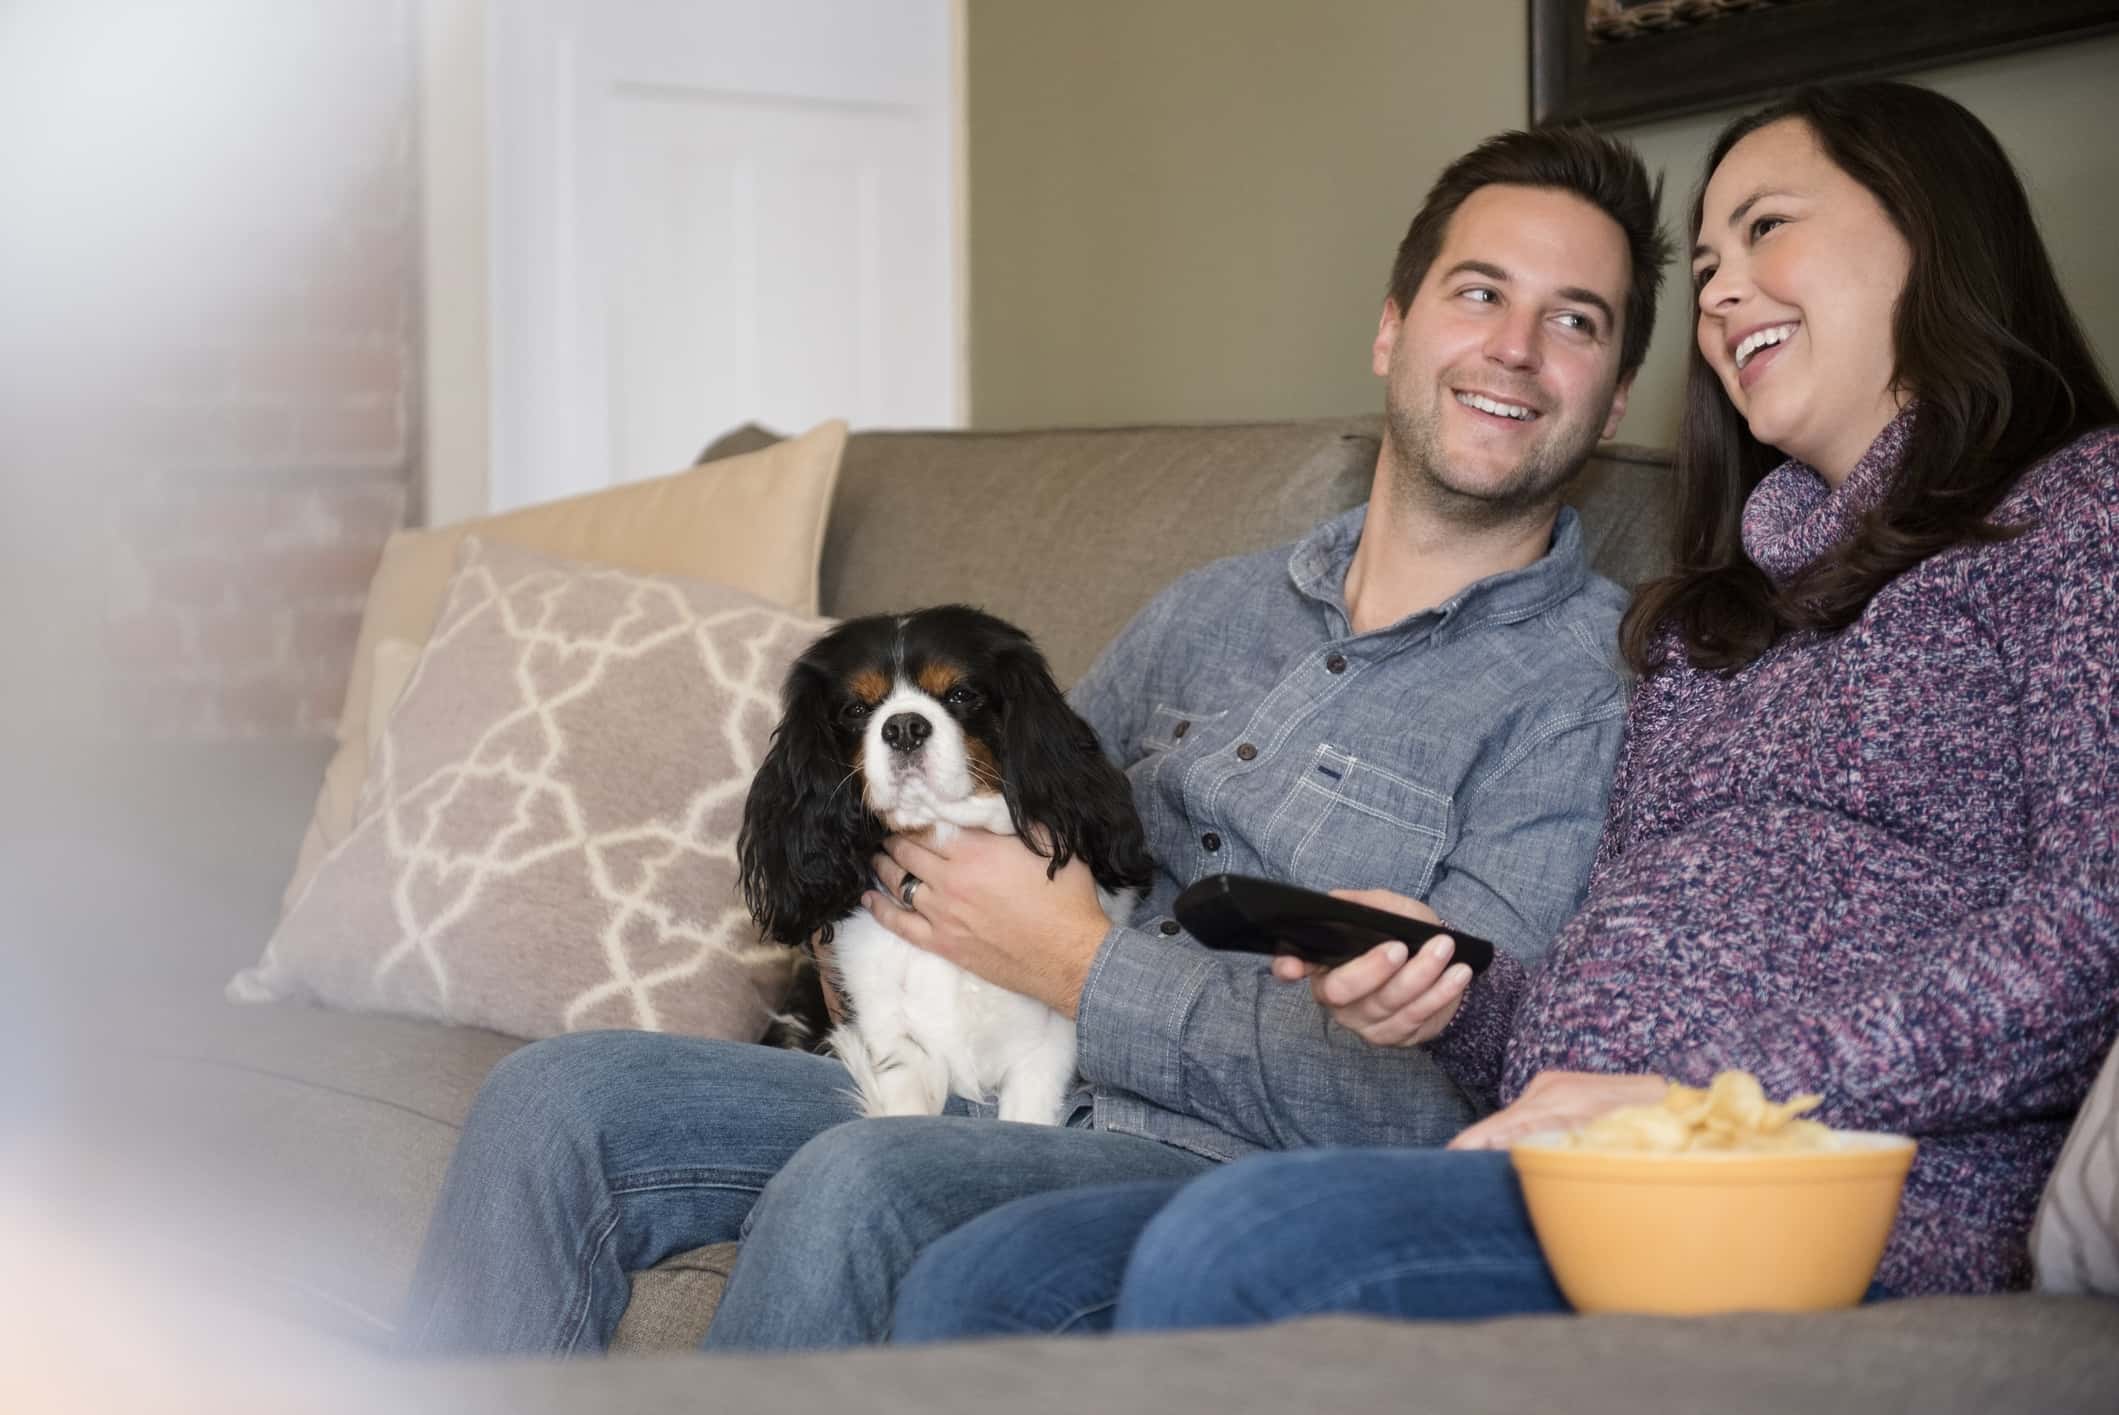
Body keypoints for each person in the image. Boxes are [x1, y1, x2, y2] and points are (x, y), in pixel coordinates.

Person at [401, 123, 1672, 1354]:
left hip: (1203, 1162)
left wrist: (1079, 967)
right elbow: (1000, 811)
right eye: (1479, 292)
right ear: (1393, 327)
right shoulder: (1209, 609)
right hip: (969, 1064)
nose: (1513, 347)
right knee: (554, 1099)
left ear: (1611, 399)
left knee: (863, 1183)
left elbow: (1453, 1108)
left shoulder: (1591, 698)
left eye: (1573, 320)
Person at [888, 79, 2119, 1343]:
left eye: (1765, 227)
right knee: (991, 1276)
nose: (1724, 287)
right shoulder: (1711, 625)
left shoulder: (2080, 518)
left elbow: (2095, 924)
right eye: (1705, 262)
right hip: (1573, 1152)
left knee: (1236, 1242)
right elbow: (1583, 1005)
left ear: (1930, 226)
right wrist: (1452, 990)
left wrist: (1705, 1103)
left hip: (1821, 1190)